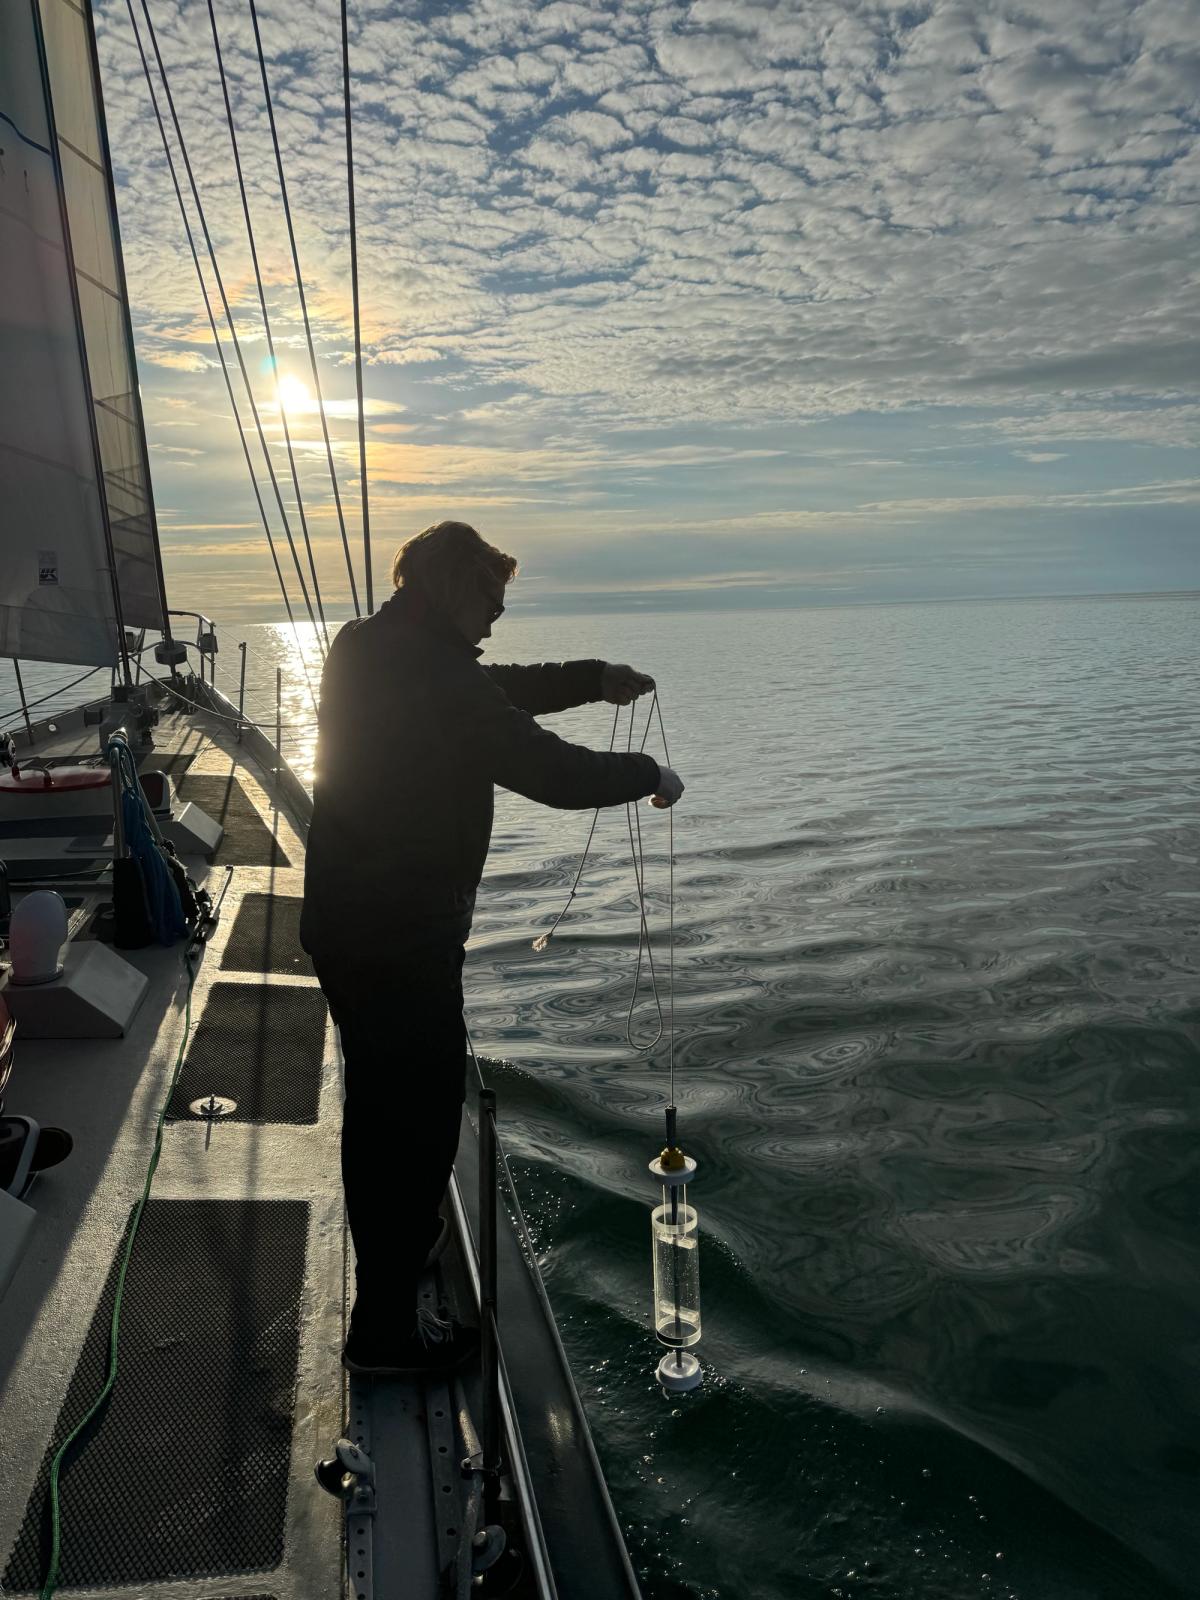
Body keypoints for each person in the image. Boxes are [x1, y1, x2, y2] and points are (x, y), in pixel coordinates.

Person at [300, 520, 684, 1376]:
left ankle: (401, 1255)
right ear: (447, 588)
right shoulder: (434, 674)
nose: (497, 618)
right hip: (400, 940)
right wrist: (647, 777)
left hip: (347, 924)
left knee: (382, 1108)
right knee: (416, 1122)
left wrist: (592, 680)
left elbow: (489, 687)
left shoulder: (369, 646)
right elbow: (547, 769)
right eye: (490, 600)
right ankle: (387, 1332)